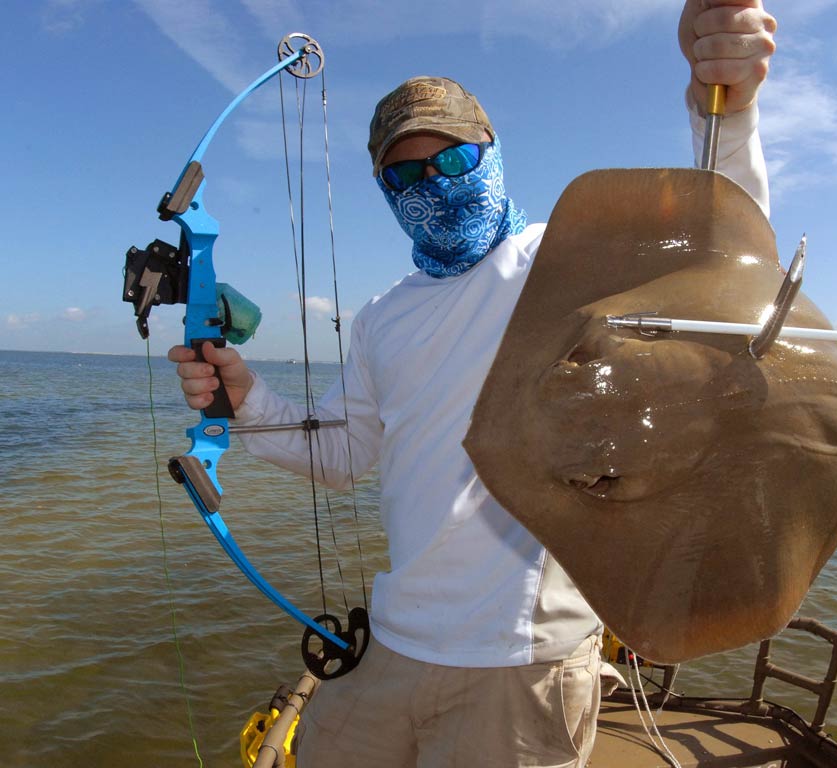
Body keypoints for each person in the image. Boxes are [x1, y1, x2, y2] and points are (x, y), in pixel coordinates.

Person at [169, 1, 776, 764]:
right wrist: (242, 400)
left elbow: (723, 264)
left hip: (521, 667)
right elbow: (343, 452)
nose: (435, 183)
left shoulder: (570, 260)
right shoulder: (384, 316)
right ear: (384, 188)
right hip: (392, 644)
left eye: (453, 159)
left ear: (491, 151)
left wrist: (729, 105)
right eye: (406, 172)